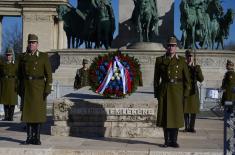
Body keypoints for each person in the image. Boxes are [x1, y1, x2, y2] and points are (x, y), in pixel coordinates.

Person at [154, 36, 191, 148]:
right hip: (164, 90)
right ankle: (166, 141)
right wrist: (157, 93)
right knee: (165, 116)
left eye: (173, 45)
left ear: (176, 47)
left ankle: (174, 140)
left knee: (175, 116)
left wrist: (185, 94)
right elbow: (156, 79)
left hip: (177, 91)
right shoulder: (160, 60)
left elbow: (187, 80)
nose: (171, 47)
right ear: (166, 46)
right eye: (169, 45)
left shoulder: (181, 61)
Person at [19, 34, 52, 145]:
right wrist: (19, 88)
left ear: (37, 44)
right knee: (28, 114)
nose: (31, 44)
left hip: (39, 88)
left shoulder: (43, 56)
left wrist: (47, 88)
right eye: (30, 43)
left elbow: (49, 75)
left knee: (37, 114)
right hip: (27, 87)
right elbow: (19, 74)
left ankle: (36, 137)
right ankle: (29, 137)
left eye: (33, 43)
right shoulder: (23, 57)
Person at [183, 49, 204, 133]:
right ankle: (186, 127)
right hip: (185, 91)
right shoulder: (183, 67)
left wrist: (197, 70)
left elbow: (201, 79)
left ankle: (192, 127)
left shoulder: (197, 67)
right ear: (186, 57)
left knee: (193, 110)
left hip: (193, 91)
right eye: (188, 56)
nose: (190, 58)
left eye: (191, 56)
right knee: (185, 109)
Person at [0, 47, 19, 121]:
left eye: (10, 55)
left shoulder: (15, 64)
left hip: (13, 83)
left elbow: (18, 74)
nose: (8, 56)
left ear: (12, 56)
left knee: (12, 101)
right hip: (5, 83)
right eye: (7, 55)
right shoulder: (3, 64)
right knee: (5, 101)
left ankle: (10, 117)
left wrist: (17, 83)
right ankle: (6, 116)